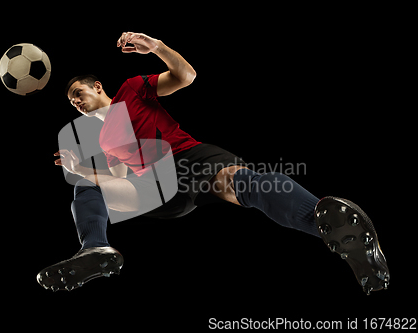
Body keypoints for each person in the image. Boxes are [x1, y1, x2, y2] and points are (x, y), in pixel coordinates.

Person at [36, 32, 389, 295]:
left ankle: (335, 229)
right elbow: (115, 176)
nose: (76, 103)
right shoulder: (102, 139)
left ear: (97, 87)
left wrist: (156, 47)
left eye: (78, 94)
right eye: (71, 102)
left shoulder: (131, 89)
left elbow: (186, 76)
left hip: (187, 158)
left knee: (244, 183)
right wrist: (83, 171)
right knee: (86, 186)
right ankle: (95, 249)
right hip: (155, 187)